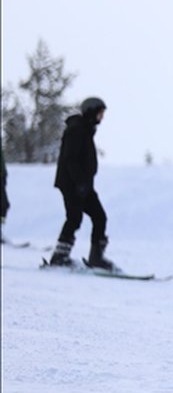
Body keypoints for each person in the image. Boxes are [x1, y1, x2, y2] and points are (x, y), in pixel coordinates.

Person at [48, 97, 116, 270]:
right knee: (74, 217)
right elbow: (70, 159)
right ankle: (59, 257)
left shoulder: (85, 129)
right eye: (100, 113)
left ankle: (96, 257)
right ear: (91, 112)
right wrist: (79, 183)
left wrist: (84, 183)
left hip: (83, 184)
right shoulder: (76, 129)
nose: (102, 117)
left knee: (99, 217)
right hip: (72, 184)